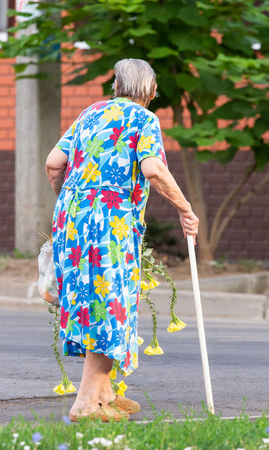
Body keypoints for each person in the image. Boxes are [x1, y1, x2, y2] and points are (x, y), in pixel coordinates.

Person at [46, 58, 199, 422]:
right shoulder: (143, 119)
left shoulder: (89, 112)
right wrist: (184, 208)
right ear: (149, 91)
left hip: (71, 216)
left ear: (115, 86)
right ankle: (85, 403)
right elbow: (153, 169)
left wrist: (71, 202)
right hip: (110, 223)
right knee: (107, 305)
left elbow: (54, 162)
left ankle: (103, 393)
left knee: (89, 301)